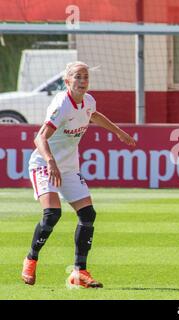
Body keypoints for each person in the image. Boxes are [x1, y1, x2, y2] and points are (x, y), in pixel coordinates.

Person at [21, 61, 136, 288]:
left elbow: (93, 115)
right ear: (67, 81)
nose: (83, 81)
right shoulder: (62, 104)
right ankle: (31, 259)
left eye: (85, 77)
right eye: (78, 77)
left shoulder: (88, 101)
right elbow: (39, 138)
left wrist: (119, 132)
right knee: (52, 214)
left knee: (88, 214)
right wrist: (51, 162)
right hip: (44, 164)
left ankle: (79, 272)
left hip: (69, 168)